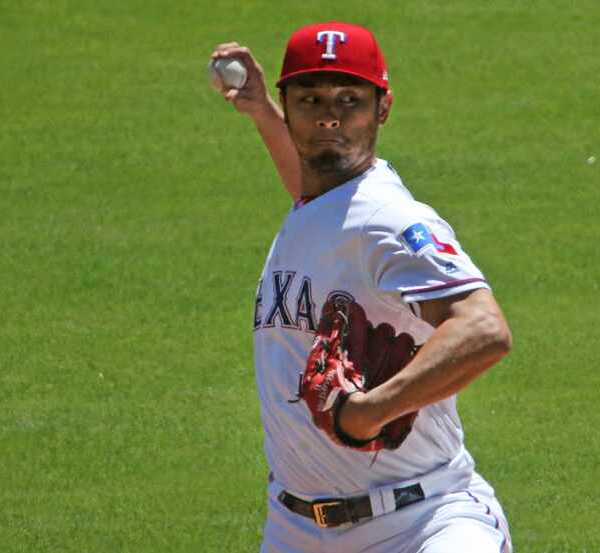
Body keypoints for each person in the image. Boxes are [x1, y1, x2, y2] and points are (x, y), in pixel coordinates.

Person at [211, 21, 514, 553]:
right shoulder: (322, 207)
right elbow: (319, 196)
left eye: (350, 99)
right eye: (309, 99)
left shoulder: (388, 219)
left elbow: (484, 328)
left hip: (423, 523)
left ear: (384, 107)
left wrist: (368, 412)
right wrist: (262, 111)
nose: (329, 114)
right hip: (295, 533)